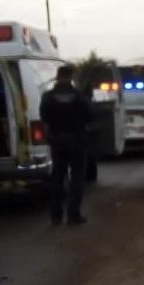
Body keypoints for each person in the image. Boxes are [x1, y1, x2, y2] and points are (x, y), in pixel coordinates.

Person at [40, 64, 92, 225]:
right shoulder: (79, 96)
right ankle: (73, 215)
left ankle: (56, 215)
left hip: (57, 141)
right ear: (70, 77)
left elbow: (44, 116)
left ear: (58, 76)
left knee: (57, 178)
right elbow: (90, 115)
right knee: (76, 179)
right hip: (76, 141)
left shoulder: (48, 96)